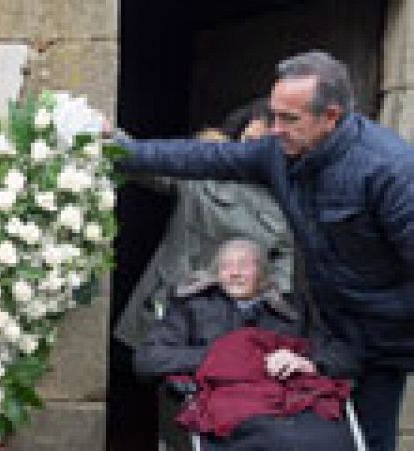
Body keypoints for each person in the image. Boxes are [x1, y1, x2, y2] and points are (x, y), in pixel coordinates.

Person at [116, 50, 414, 451]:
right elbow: (202, 157)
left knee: (369, 438)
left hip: (382, 334)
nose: (274, 128)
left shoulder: (390, 171)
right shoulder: (279, 150)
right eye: (274, 114)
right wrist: (118, 148)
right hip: (326, 325)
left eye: (289, 119)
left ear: (331, 116)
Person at [133, 239, 359, 450]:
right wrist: (231, 359)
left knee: (333, 439)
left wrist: (308, 363)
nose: (234, 273)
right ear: (216, 274)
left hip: (297, 403)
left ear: (261, 273)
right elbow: (148, 359)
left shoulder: (292, 311)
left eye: (244, 265)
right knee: (279, 439)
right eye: (226, 267)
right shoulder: (193, 309)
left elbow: (346, 357)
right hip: (233, 406)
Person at [114, 101, 293, 353]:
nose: (253, 152)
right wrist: (109, 137)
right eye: (248, 141)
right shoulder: (209, 165)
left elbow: (283, 284)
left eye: (263, 145)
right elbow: (148, 165)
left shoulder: (292, 200)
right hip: (168, 304)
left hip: (232, 328)